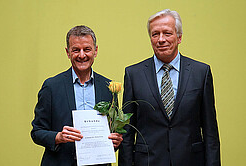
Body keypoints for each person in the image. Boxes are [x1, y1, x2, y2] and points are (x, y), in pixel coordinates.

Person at [118, 9, 220, 166]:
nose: (161, 39)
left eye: (167, 33)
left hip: (190, 160)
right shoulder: (133, 74)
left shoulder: (201, 72)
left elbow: (210, 131)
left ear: (179, 37)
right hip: (148, 161)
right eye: (155, 34)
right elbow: (127, 131)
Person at [31, 25, 123, 166]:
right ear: (68, 53)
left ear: (95, 51)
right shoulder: (51, 86)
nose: (81, 55)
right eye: (76, 50)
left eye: (87, 49)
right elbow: (37, 132)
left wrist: (116, 141)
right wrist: (58, 137)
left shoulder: (109, 88)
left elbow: (113, 132)